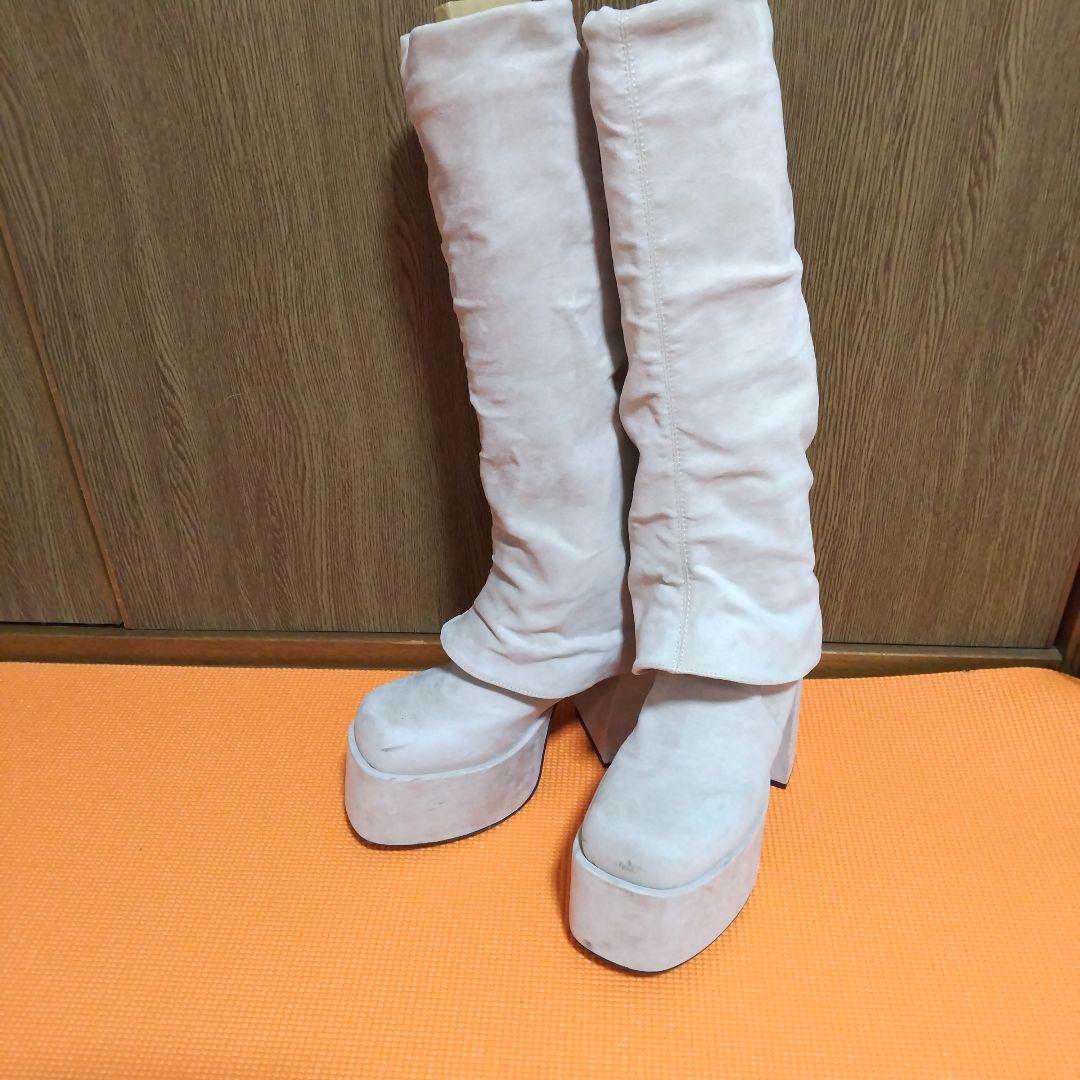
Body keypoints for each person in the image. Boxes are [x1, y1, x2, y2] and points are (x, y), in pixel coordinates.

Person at [345, 0, 820, 973]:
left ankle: (736, 626)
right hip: (564, 600)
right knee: (491, 35)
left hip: (733, 606)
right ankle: (563, 602)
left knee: (667, 31)